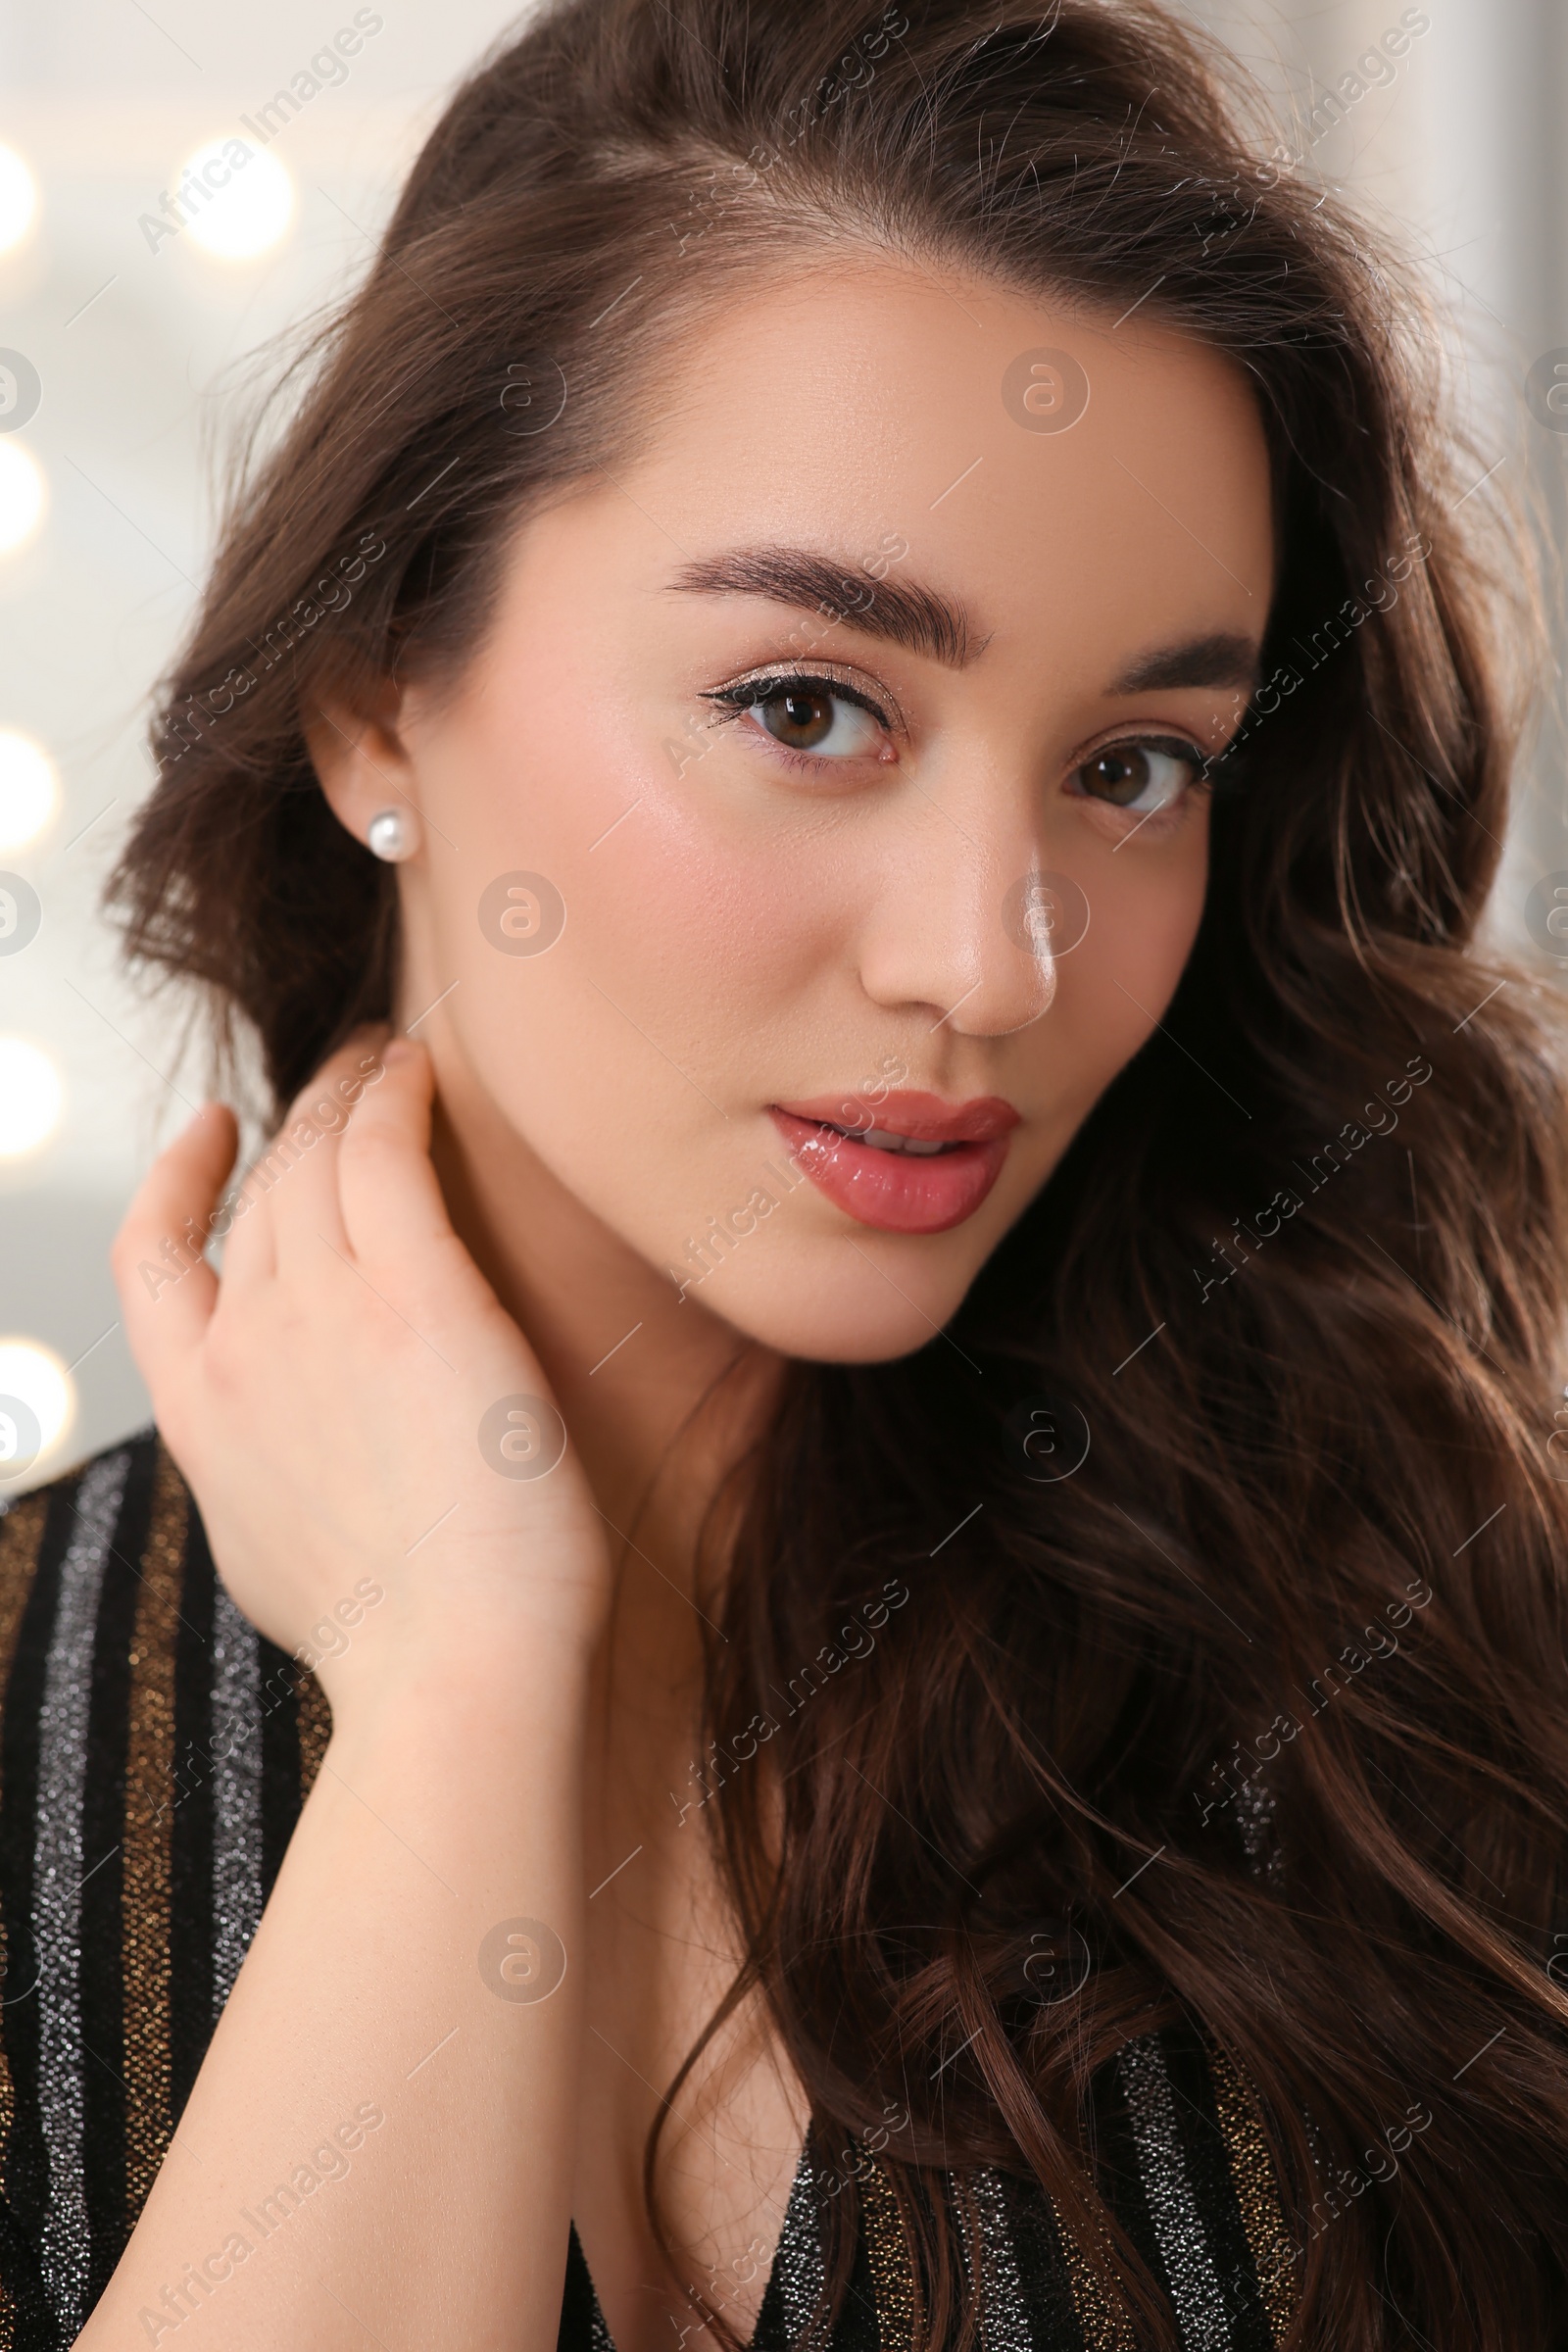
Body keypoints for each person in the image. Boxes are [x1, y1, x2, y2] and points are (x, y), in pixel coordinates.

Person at [2, 0, 1563, 2343]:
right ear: (371, 695)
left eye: (1135, 764)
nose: (991, 964)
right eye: (807, 708)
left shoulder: (1440, 1682)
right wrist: (455, 1679)